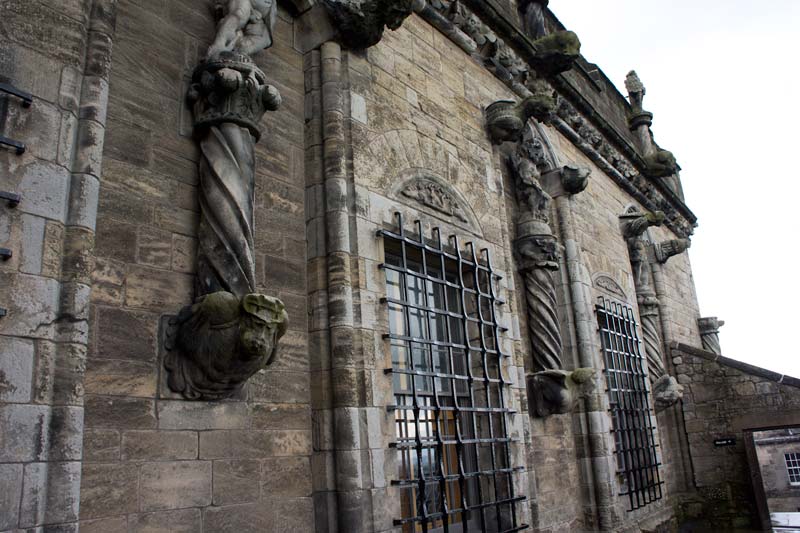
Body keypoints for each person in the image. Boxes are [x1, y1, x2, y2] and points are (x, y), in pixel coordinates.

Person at [207, 0, 277, 58]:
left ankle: (237, 52)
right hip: (243, 3)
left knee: (265, 40)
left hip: (258, 18)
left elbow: (269, 22)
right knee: (239, 14)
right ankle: (218, 46)